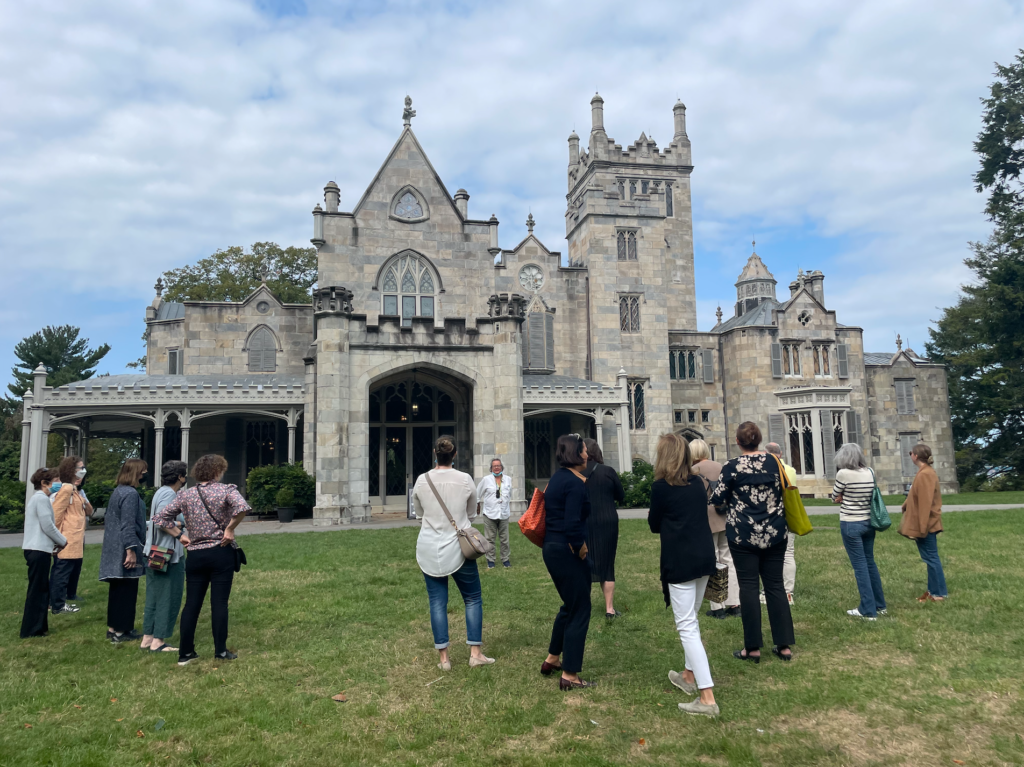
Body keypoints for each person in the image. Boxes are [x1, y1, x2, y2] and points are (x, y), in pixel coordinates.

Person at [711, 422, 795, 663]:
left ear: (738, 442)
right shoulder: (774, 462)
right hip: (775, 531)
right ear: (758, 440)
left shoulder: (732, 466)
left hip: (743, 533)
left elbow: (718, 498)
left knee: (748, 586)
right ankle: (784, 645)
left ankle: (753, 648)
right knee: (775, 586)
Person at [648, 434, 720, 717]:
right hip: (703, 558)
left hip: (680, 562)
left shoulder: (661, 488)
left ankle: (706, 697)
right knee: (692, 618)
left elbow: (654, 524)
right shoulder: (696, 484)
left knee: (687, 626)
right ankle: (688, 676)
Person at [156, 454, 250, 665]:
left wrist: (180, 536)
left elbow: (160, 519)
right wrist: (229, 529)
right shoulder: (226, 490)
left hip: (195, 553)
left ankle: (186, 653)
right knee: (219, 603)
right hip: (220, 550)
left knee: (191, 604)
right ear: (217, 471)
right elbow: (242, 508)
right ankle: (220, 651)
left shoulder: (186, 495)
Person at [415, 436, 495, 671]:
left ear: (434, 453)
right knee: (472, 598)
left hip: (429, 546)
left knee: (437, 602)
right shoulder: (464, 479)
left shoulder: (422, 480)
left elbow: (419, 513)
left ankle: (444, 659)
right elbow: (471, 513)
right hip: (459, 548)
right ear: (455, 455)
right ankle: (475, 653)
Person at [540, 433, 594, 690]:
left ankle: (552, 658)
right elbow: (572, 523)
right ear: (575, 453)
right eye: (584, 450)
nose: (587, 454)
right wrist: (581, 549)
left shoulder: (557, 478)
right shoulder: (574, 483)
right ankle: (570, 675)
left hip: (552, 547)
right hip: (566, 549)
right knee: (581, 607)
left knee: (569, 605)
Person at [832, 443, 886, 619]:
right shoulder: (869, 472)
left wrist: (843, 497)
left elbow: (835, 497)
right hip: (869, 522)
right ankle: (879, 604)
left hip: (851, 522)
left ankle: (867, 609)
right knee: (870, 563)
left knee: (860, 566)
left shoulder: (843, 474)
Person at [141, 460, 190, 653]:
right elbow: (162, 521)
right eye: (184, 474)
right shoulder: (169, 494)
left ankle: (148, 637)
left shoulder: (160, 492)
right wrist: (180, 533)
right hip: (167, 553)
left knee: (153, 595)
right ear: (179, 476)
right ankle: (158, 640)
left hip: (154, 550)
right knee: (168, 597)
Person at [99, 458, 148, 643]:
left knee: (117, 589)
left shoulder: (118, 491)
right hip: (124, 547)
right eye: (143, 471)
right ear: (136, 473)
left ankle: (114, 628)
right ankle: (121, 631)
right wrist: (131, 550)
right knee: (126, 590)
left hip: (113, 546)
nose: (145, 474)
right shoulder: (130, 494)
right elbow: (128, 525)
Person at [690, 439, 738, 620]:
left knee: (713, 560)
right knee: (728, 560)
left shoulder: (693, 471)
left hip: (705, 520)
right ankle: (734, 602)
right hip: (724, 516)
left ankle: (717, 605)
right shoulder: (720, 466)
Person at [899, 443, 947, 603]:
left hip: (926, 524)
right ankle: (933, 590)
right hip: (925, 523)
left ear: (916, 456)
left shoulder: (926, 474)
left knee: (931, 558)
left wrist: (922, 527)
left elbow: (926, 503)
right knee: (929, 558)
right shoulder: (924, 472)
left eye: (910, 452)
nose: (909, 455)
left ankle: (939, 594)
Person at [21, 468, 66, 638]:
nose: (58, 483)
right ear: (44, 483)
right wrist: (62, 541)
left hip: (37, 548)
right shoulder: (41, 499)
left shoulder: (39, 499)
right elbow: (48, 525)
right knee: (38, 590)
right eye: (55, 479)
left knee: (40, 589)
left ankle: (39, 627)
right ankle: (32, 629)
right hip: (38, 550)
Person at [583, 438, 625, 618]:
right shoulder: (608, 471)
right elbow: (621, 495)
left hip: (585, 521)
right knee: (607, 564)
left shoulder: (576, 473)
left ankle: (584, 606)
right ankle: (609, 608)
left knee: (583, 563)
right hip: (607, 520)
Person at [50, 456, 88, 615]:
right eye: (80, 468)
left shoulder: (74, 489)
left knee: (65, 573)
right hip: (66, 539)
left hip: (74, 539)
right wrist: (57, 539)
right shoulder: (66, 489)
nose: (83, 471)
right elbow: (56, 514)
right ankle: (57, 605)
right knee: (61, 573)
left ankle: (58, 602)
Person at [764, 443, 797, 605]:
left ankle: (769, 590)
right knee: (788, 554)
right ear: (781, 453)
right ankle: (788, 591)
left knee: (769, 555)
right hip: (788, 515)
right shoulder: (791, 470)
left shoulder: (767, 469)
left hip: (771, 517)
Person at [477, 458, 512, 569]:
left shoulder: (508, 479)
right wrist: (477, 506)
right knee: (489, 539)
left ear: (502, 467)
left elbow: (509, 495)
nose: (496, 468)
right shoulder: (486, 480)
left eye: (498, 466)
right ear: (491, 468)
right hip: (489, 513)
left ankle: (505, 559)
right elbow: (478, 494)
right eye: (494, 466)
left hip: (503, 513)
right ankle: (490, 560)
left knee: (504, 539)